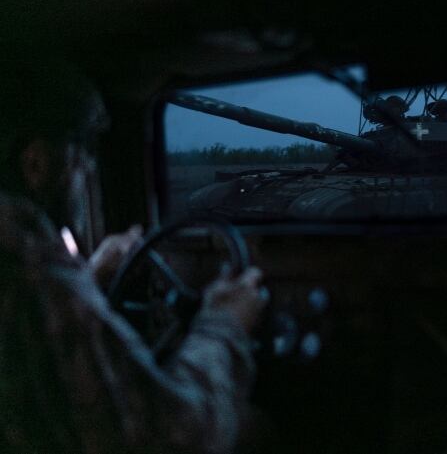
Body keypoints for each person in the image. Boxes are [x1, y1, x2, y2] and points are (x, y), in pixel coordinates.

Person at [0, 55, 266, 453]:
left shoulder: (25, 271)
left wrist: (90, 279)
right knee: (255, 429)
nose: (88, 170)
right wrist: (224, 324)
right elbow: (177, 436)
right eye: (82, 155)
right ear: (36, 164)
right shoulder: (35, 272)